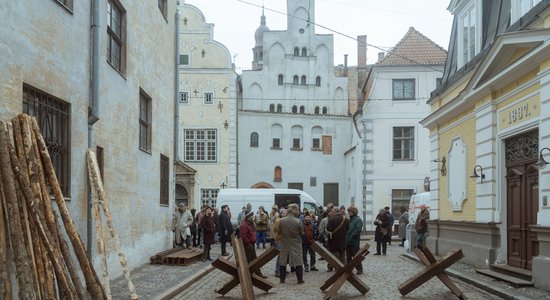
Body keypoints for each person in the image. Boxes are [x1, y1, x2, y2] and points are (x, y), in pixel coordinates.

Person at [278, 203, 305, 284]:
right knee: (298, 262)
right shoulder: (298, 221)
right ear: (295, 211)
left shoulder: (281, 221)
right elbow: (301, 233)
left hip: (284, 242)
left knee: (283, 261)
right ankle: (299, 280)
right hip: (295, 243)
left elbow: (280, 231)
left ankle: (282, 279)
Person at [240, 209, 267, 278]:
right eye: (252, 216)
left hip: (251, 245)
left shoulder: (250, 224)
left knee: (255, 260)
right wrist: (248, 244)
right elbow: (243, 236)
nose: (253, 217)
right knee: (247, 261)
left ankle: (258, 273)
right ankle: (247, 275)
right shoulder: (244, 225)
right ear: (248, 216)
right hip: (248, 246)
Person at [345, 206, 363, 275]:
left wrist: (351, 237)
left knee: (356, 256)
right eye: (348, 211)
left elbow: (357, 230)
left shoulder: (358, 220)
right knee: (348, 257)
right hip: (348, 241)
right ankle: (349, 269)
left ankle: (359, 269)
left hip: (354, 242)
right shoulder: (350, 220)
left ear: (353, 212)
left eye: (350, 211)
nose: (349, 213)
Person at [273, 208, 287, 277]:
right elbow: (278, 229)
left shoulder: (285, 220)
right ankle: (277, 271)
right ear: (281, 214)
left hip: (284, 240)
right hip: (279, 240)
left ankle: (282, 269)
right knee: (280, 255)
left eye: (286, 213)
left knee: (284, 255)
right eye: (284, 213)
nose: (285, 214)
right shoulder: (278, 220)